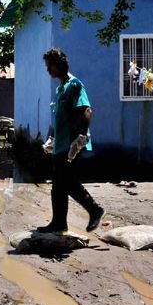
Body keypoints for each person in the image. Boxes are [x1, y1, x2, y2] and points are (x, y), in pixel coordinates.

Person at [38, 48, 104, 233]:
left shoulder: (75, 84)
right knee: (59, 186)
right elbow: (60, 118)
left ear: (59, 65)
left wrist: (80, 138)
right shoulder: (61, 88)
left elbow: (87, 110)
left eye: (50, 66)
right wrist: (52, 138)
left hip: (71, 145)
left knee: (66, 183)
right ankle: (59, 223)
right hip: (60, 145)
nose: (48, 70)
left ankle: (94, 209)